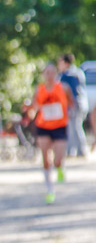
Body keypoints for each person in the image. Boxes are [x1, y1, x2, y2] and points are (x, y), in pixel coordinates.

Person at [30, 62, 74, 204]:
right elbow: (34, 106)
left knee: (58, 159)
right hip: (43, 126)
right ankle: (50, 189)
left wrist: (70, 113)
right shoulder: (39, 90)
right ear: (43, 74)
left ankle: (60, 167)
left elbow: (71, 104)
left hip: (60, 126)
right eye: (47, 72)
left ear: (56, 74)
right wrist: (31, 112)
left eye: (52, 72)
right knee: (45, 158)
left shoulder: (64, 88)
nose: (49, 75)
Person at [56, 53, 88, 158]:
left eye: (60, 62)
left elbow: (71, 93)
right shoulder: (78, 72)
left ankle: (78, 150)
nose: (58, 65)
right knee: (76, 126)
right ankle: (76, 150)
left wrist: (70, 107)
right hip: (82, 102)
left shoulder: (68, 75)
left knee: (74, 127)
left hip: (74, 103)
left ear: (65, 63)